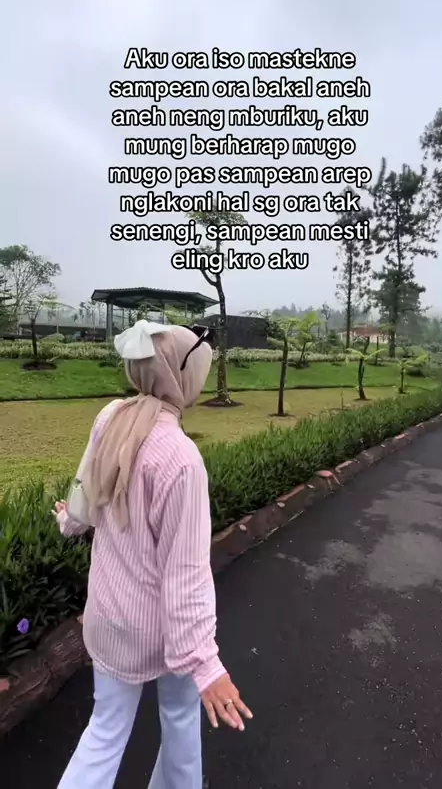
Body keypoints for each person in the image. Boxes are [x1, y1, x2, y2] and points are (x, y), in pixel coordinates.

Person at [53, 320, 252, 789]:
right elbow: (186, 575)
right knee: (180, 718)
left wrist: (69, 522)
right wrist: (205, 663)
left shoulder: (111, 416)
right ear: (181, 376)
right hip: (162, 630)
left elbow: (85, 493)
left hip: (108, 617)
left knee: (104, 732)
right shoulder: (181, 458)